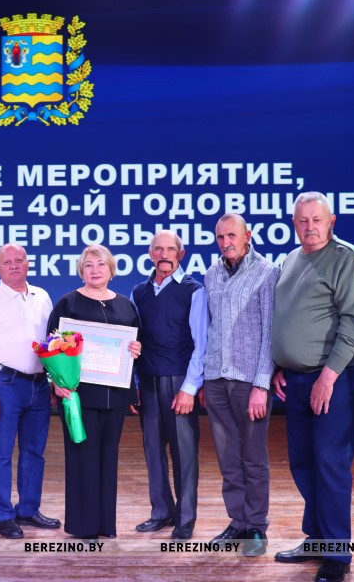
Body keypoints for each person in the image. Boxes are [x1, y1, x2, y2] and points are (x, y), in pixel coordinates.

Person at [271, 192, 354, 582]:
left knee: (330, 464)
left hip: (334, 378)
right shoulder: (290, 259)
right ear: (293, 224)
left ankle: (337, 553)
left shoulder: (347, 258)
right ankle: (316, 539)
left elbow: (353, 324)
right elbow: (286, 318)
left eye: (316, 219)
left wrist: (327, 377)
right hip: (294, 380)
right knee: (303, 463)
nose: (309, 226)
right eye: (302, 220)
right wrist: (279, 365)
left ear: (332, 221)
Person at [47, 244, 142, 539]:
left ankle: (105, 525)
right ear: (81, 270)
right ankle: (82, 526)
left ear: (111, 270)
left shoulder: (126, 305)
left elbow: (137, 344)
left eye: (101, 264)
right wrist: (57, 382)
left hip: (115, 397)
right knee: (82, 457)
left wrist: (136, 349)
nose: (95, 270)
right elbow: (52, 348)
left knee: (108, 458)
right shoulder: (68, 304)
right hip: (80, 396)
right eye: (88, 265)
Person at [201, 214, 279, 557]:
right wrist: (205, 378)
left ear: (247, 235)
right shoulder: (211, 274)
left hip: (249, 382)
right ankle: (237, 521)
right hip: (216, 380)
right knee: (228, 458)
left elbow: (270, 332)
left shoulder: (267, 272)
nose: (226, 242)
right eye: (220, 237)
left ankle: (256, 526)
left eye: (232, 235)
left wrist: (262, 384)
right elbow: (210, 329)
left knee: (253, 458)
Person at [0, 243, 60, 539]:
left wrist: (54, 380)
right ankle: (3, 516)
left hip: (39, 385)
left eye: (19, 260)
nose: (13, 265)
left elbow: (51, 343)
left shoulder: (42, 296)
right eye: (7, 262)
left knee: (34, 452)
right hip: (5, 385)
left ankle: (28, 509)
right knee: (1, 453)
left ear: (27, 263)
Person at [131, 230, 207, 540]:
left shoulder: (194, 291)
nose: (164, 254)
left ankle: (185, 519)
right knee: (153, 451)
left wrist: (190, 388)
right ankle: (161, 512)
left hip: (179, 383)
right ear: (150, 254)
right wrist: (134, 383)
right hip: (148, 381)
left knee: (184, 453)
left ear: (181, 254)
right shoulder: (139, 292)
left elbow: (201, 344)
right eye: (158, 249)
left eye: (170, 249)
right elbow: (135, 340)